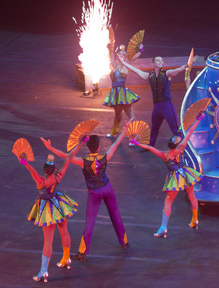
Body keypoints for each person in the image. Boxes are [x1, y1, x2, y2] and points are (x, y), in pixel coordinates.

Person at [41, 119, 133, 261]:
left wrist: (50, 148)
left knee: (90, 222)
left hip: (94, 193)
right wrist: (125, 128)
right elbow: (116, 143)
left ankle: (82, 253)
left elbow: (66, 156)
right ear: (98, 147)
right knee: (116, 215)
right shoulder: (105, 157)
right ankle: (124, 242)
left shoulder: (83, 161)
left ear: (88, 147)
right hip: (108, 188)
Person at [18, 137, 86, 282]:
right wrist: (81, 142)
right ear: (54, 169)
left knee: (48, 242)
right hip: (59, 205)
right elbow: (69, 157)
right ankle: (66, 259)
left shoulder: (40, 181)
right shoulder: (58, 175)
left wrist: (25, 163)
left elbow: (31, 170)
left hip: (48, 211)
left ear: (44, 169)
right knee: (64, 232)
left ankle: (44, 271)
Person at [130, 111, 205, 237]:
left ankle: (163, 227)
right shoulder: (181, 148)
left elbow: (150, 148)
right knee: (192, 196)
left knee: (168, 203)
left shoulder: (164, 155)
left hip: (175, 178)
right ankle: (195, 220)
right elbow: (190, 132)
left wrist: (137, 143)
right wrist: (199, 119)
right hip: (186, 175)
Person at [120, 55, 188, 147]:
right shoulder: (149, 75)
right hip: (156, 107)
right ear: (154, 63)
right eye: (158, 60)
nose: (161, 62)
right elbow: (136, 70)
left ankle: (184, 147)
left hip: (166, 105)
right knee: (154, 128)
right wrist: (124, 63)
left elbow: (176, 70)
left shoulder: (167, 73)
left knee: (175, 129)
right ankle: (150, 146)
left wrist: (185, 66)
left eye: (161, 60)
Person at [103, 44, 142, 141]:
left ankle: (136, 136)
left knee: (131, 116)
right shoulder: (115, 65)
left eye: (123, 55)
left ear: (125, 57)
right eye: (119, 55)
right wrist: (109, 48)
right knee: (117, 115)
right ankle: (114, 132)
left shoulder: (126, 65)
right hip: (115, 94)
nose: (121, 56)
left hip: (123, 94)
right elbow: (111, 56)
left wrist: (141, 49)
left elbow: (134, 58)